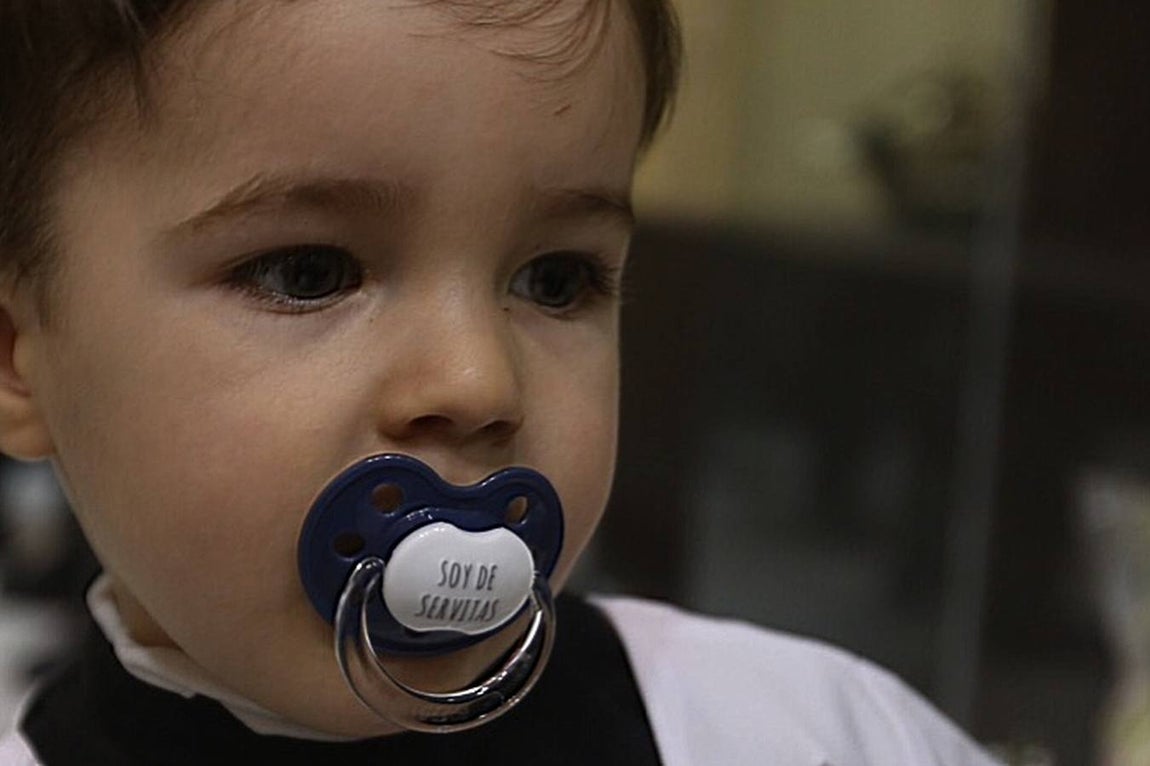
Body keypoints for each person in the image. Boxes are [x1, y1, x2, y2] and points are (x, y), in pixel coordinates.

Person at [0, 1, 1000, 763]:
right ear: (17, 355)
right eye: (308, 272)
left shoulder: (805, 731)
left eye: (554, 279)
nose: (479, 380)